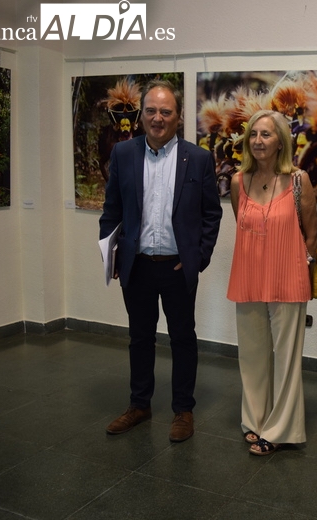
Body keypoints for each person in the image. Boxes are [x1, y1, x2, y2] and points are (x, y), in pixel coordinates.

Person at [99, 79, 222, 443]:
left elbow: (211, 215)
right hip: (136, 266)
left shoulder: (197, 158)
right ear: (141, 115)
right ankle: (140, 404)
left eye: (165, 112)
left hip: (177, 266)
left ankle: (183, 409)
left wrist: (197, 258)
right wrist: (111, 253)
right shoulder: (123, 155)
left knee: (183, 338)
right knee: (139, 338)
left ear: (177, 116)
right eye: (151, 111)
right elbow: (112, 211)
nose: (157, 118)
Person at [226, 110, 317, 456]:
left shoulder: (298, 180)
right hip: (248, 276)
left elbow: (310, 234)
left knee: (287, 358)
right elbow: (244, 224)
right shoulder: (239, 181)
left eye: (266, 134)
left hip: (288, 277)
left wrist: (299, 268)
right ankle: (254, 420)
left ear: (281, 140)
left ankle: (281, 429)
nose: (258, 141)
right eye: (253, 135)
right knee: (251, 356)